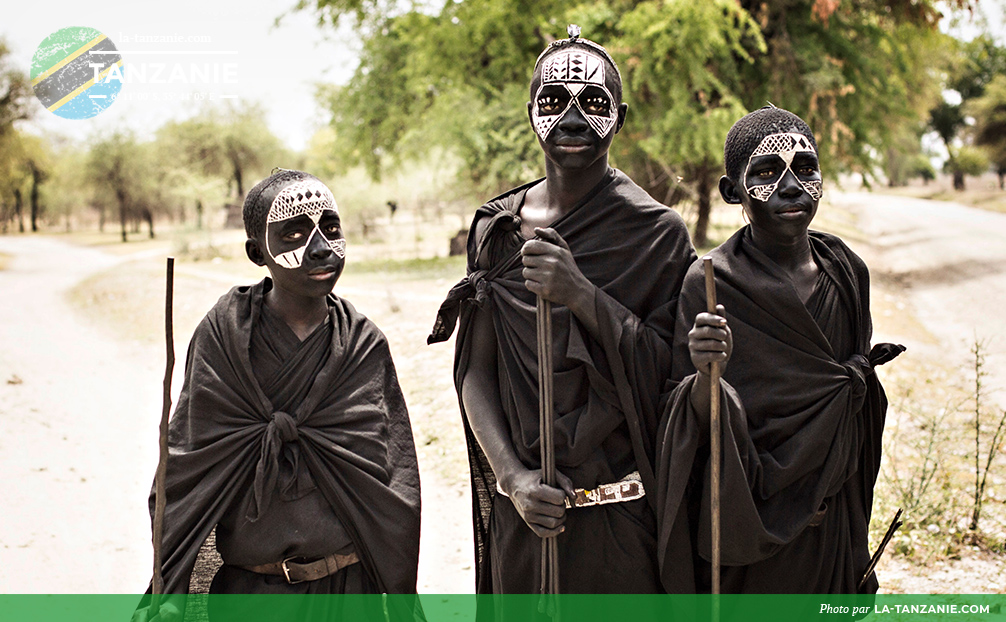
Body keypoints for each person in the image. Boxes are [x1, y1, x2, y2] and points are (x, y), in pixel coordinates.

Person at [428, 27, 695, 608]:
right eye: (554, 101)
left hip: (623, 519)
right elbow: (475, 371)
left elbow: (671, 381)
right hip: (525, 516)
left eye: (593, 103)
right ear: (531, 114)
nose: (572, 116)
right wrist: (512, 479)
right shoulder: (496, 228)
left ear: (618, 117)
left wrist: (579, 293)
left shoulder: (657, 233)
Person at [135, 170, 422, 621]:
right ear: (257, 252)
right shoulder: (224, 338)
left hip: (351, 591)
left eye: (330, 228)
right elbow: (187, 472)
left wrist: (399, 597)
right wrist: (170, 591)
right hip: (252, 596)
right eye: (293, 232)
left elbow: (395, 481)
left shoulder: (363, 344)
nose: (321, 248)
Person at [655, 106, 904, 594]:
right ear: (733, 193)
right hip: (749, 525)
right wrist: (705, 375)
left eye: (805, 168)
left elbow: (847, 411)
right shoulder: (709, 283)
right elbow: (684, 417)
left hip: (832, 521)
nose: (792, 186)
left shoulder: (847, 272)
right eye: (767, 173)